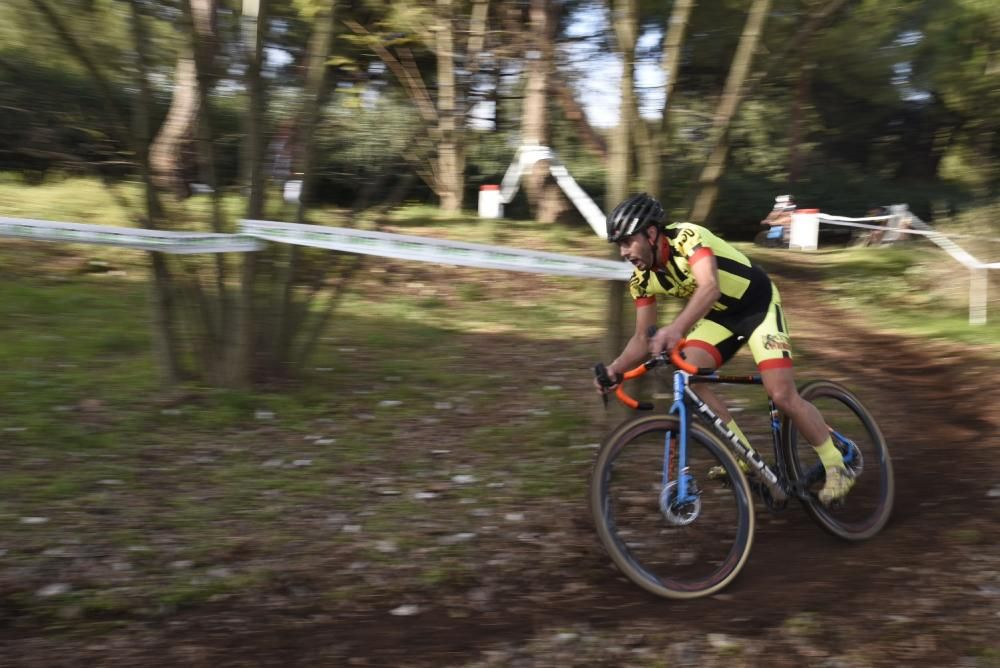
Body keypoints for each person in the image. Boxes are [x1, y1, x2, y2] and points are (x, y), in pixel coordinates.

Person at [594, 193, 853, 505]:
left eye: (627, 242)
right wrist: (615, 369)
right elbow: (640, 339)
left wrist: (676, 329)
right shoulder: (642, 279)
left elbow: (709, 287)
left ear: (650, 233)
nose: (623, 252)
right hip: (721, 317)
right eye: (618, 245)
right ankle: (745, 459)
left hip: (758, 307)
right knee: (689, 375)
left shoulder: (687, 237)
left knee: (782, 394)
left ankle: (837, 464)